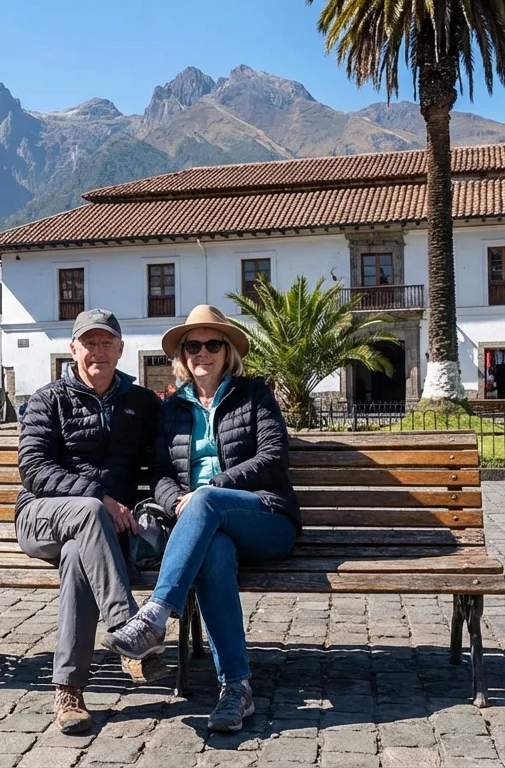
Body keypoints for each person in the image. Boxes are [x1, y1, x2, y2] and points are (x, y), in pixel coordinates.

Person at [103, 305, 298, 733]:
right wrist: (176, 502)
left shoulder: (254, 395)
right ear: (183, 355)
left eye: (213, 344)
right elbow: (159, 471)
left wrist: (212, 489)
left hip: (264, 516)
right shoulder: (172, 408)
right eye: (194, 345)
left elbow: (273, 458)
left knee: (208, 500)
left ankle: (155, 617)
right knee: (214, 552)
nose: (203, 352)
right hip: (203, 527)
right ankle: (237, 689)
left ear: (227, 351)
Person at [16, 308, 160, 734]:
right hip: (43, 515)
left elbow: (160, 465)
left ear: (120, 348)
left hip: (97, 532)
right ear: (72, 348)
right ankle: (128, 627)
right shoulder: (48, 399)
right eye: (89, 342)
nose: (97, 351)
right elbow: (34, 469)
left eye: (106, 342)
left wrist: (146, 507)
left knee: (80, 554)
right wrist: (99, 497)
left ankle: (68, 690)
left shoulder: (142, 403)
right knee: (90, 512)